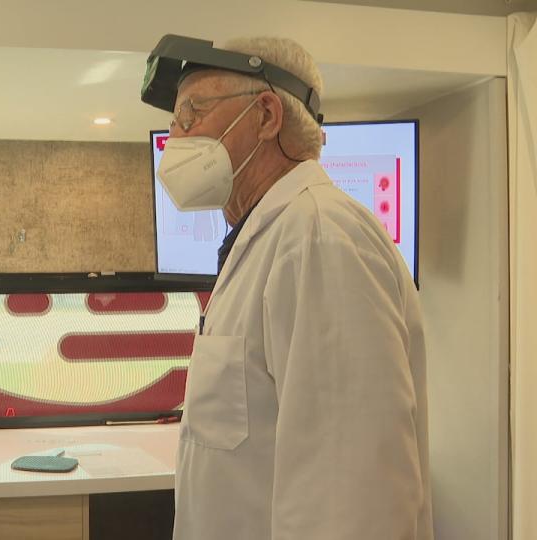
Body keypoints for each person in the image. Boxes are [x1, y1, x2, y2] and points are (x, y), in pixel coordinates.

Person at [141, 36, 433, 539]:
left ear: (266, 116)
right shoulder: (269, 237)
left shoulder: (320, 239)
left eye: (193, 115)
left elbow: (350, 499)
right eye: (174, 123)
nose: (176, 138)